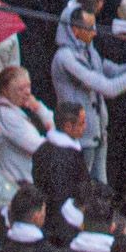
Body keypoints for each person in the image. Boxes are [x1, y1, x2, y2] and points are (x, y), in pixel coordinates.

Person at [51, 5, 126, 183]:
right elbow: (108, 88)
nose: (95, 33)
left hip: (97, 132)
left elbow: (112, 70)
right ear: (75, 30)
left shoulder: (88, 50)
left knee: (101, 189)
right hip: (80, 137)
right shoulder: (66, 57)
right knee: (83, 189)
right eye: (90, 28)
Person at [31, 99, 95, 240]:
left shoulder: (44, 148)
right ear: (67, 126)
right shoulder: (62, 159)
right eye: (82, 123)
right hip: (62, 228)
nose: (85, 127)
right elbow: (60, 199)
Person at [0, 66, 54, 184]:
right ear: (5, 90)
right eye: (21, 89)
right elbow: (42, 148)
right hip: (19, 186)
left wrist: (38, 108)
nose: (28, 92)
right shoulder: (5, 115)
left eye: (28, 86)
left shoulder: (14, 110)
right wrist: (55, 136)